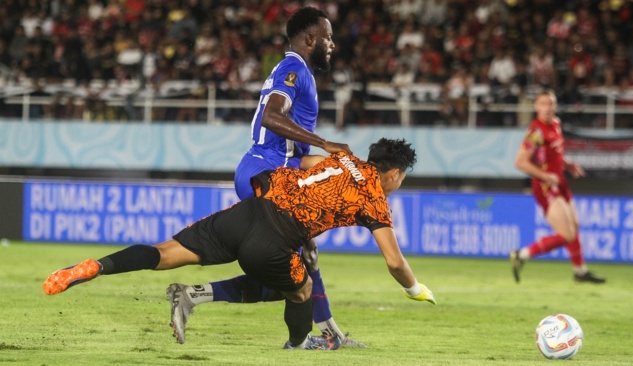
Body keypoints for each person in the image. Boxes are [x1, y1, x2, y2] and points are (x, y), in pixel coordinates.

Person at [42, 138, 437, 350]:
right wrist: (415, 289)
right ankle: (298, 348)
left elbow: (300, 164)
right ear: (394, 174)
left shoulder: (336, 159)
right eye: (402, 178)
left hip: (247, 211)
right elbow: (394, 261)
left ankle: (97, 267)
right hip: (276, 240)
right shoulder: (374, 196)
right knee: (300, 288)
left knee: (163, 254)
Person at [167, 6, 361, 347]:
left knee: (305, 257)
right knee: (286, 267)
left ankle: (330, 334)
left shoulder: (300, 73)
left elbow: (294, 155)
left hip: (275, 173)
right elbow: (271, 117)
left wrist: (335, 165)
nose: (332, 44)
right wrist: (326, 143)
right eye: (328, 37)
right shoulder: (293, 69)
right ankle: (194, 295)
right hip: (264, 174)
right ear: (311, 38)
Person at [510, 90, 606, 284]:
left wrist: (567, 165)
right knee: (567, 234)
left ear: (555, 106)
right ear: (536, 107)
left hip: (559, 181)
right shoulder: (535, 132)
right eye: (543, 104)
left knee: (575, 227)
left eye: (551, 103)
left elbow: (553, 154)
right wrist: (545, 175)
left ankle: (580, 271)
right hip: (545, 185)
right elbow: (520, 162)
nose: (547, 108)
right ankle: (522, 254)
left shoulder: (556, 123)